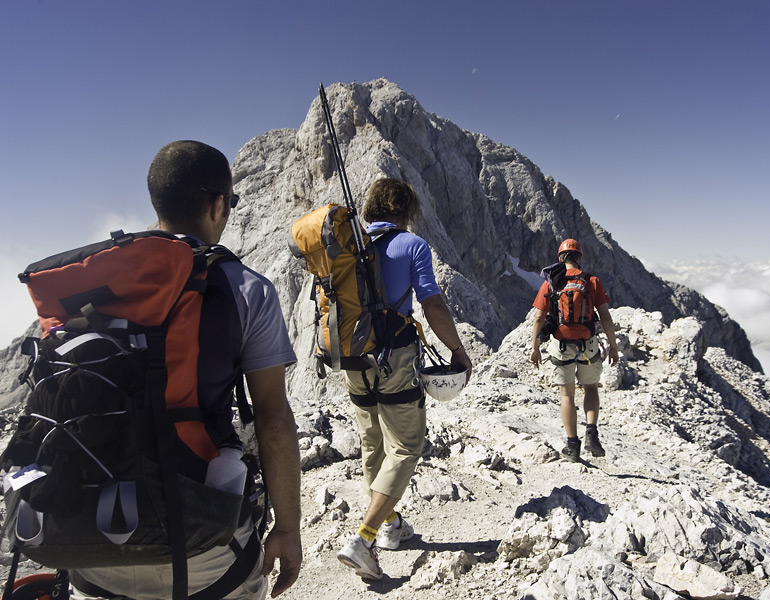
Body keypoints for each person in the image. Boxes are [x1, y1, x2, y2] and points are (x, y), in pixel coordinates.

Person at [69, 141, 303, 599]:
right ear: (219, 205)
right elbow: (273, 421)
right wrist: (287, 528)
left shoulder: (96, 282)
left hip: (88, 539)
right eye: (230, 203)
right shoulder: (246, 289)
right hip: (201, 546)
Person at [336, 178, 473, 580]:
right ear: (405, 210)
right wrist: (458, 351)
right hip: (393, 357)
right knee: (407, 445)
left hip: (352, 359)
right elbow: (431, 303)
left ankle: (391, 527)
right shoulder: (411, 246)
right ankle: (362, 538)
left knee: (373, 443)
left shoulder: (348, 246)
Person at [529, 238, 619, 462]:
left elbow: (539, 317)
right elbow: (605, 317)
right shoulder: (592, 281)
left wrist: (535, 347)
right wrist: (614, 347)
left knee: (566, 395)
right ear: (579, 257)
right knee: (590, 389)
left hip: (561, 345)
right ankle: (591, 432)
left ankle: (572, 446)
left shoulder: (552, 282)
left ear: (560, 258)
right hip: (588, 345)